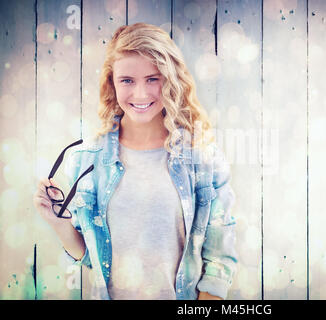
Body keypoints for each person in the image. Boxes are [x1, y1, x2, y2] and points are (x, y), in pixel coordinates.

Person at [33, 22, 237, 300]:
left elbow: (219, 264)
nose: (140, 94)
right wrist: (59, 224)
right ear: (112, 83)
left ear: (171, 79)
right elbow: (92, 258)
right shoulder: (86, 160)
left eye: (153, 79)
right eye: (127, 80)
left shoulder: (202, 159)